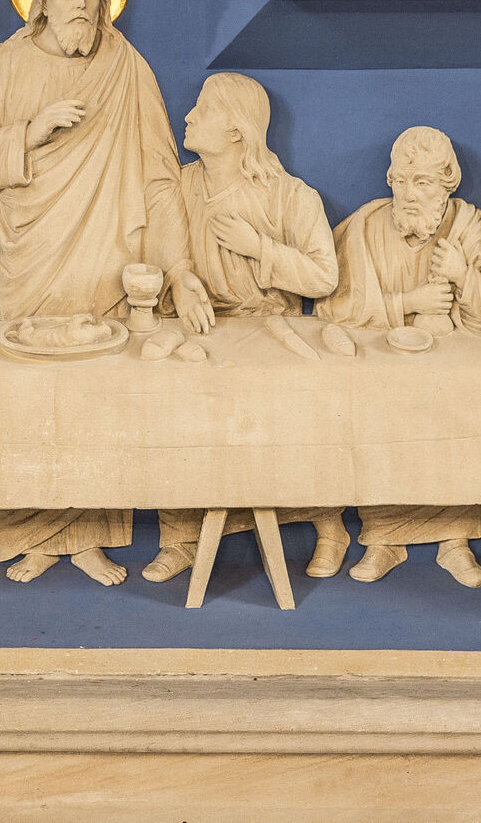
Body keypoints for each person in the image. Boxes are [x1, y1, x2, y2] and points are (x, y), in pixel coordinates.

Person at [0, 0, 198, 586]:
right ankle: (34, 538)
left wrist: (178, 267)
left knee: (99, 397)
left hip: (107, 257)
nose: (82, 5)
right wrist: (29, 132)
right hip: (31, 252)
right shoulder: (3, 66)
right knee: (29, 394)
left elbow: (161, 174)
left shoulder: (126, 66)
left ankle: (89, 539)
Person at [144, 74, 349, 584]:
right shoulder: (183, 186)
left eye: (203, 109)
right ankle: (180, 538)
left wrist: (259, 248)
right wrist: (181, 279)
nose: (189, 116)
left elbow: (323, 277)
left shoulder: (288, 195)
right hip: (204, 330)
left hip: (270, 329)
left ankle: (330, 528)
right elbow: (164, 247)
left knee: (297, 422)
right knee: (172, 414)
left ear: (237, 131)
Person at [319, 126, 481, 586]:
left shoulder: (468, 225)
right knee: (376, 417)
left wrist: (464, 276)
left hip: (449, 368)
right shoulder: (367, 225)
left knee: (457, 416)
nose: (409, 194)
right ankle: (383, 541)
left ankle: (454, 542)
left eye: (423, 182)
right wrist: (405, 303)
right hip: (382, 366)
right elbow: (333, 307)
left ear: (447, 184)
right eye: (401, 181)